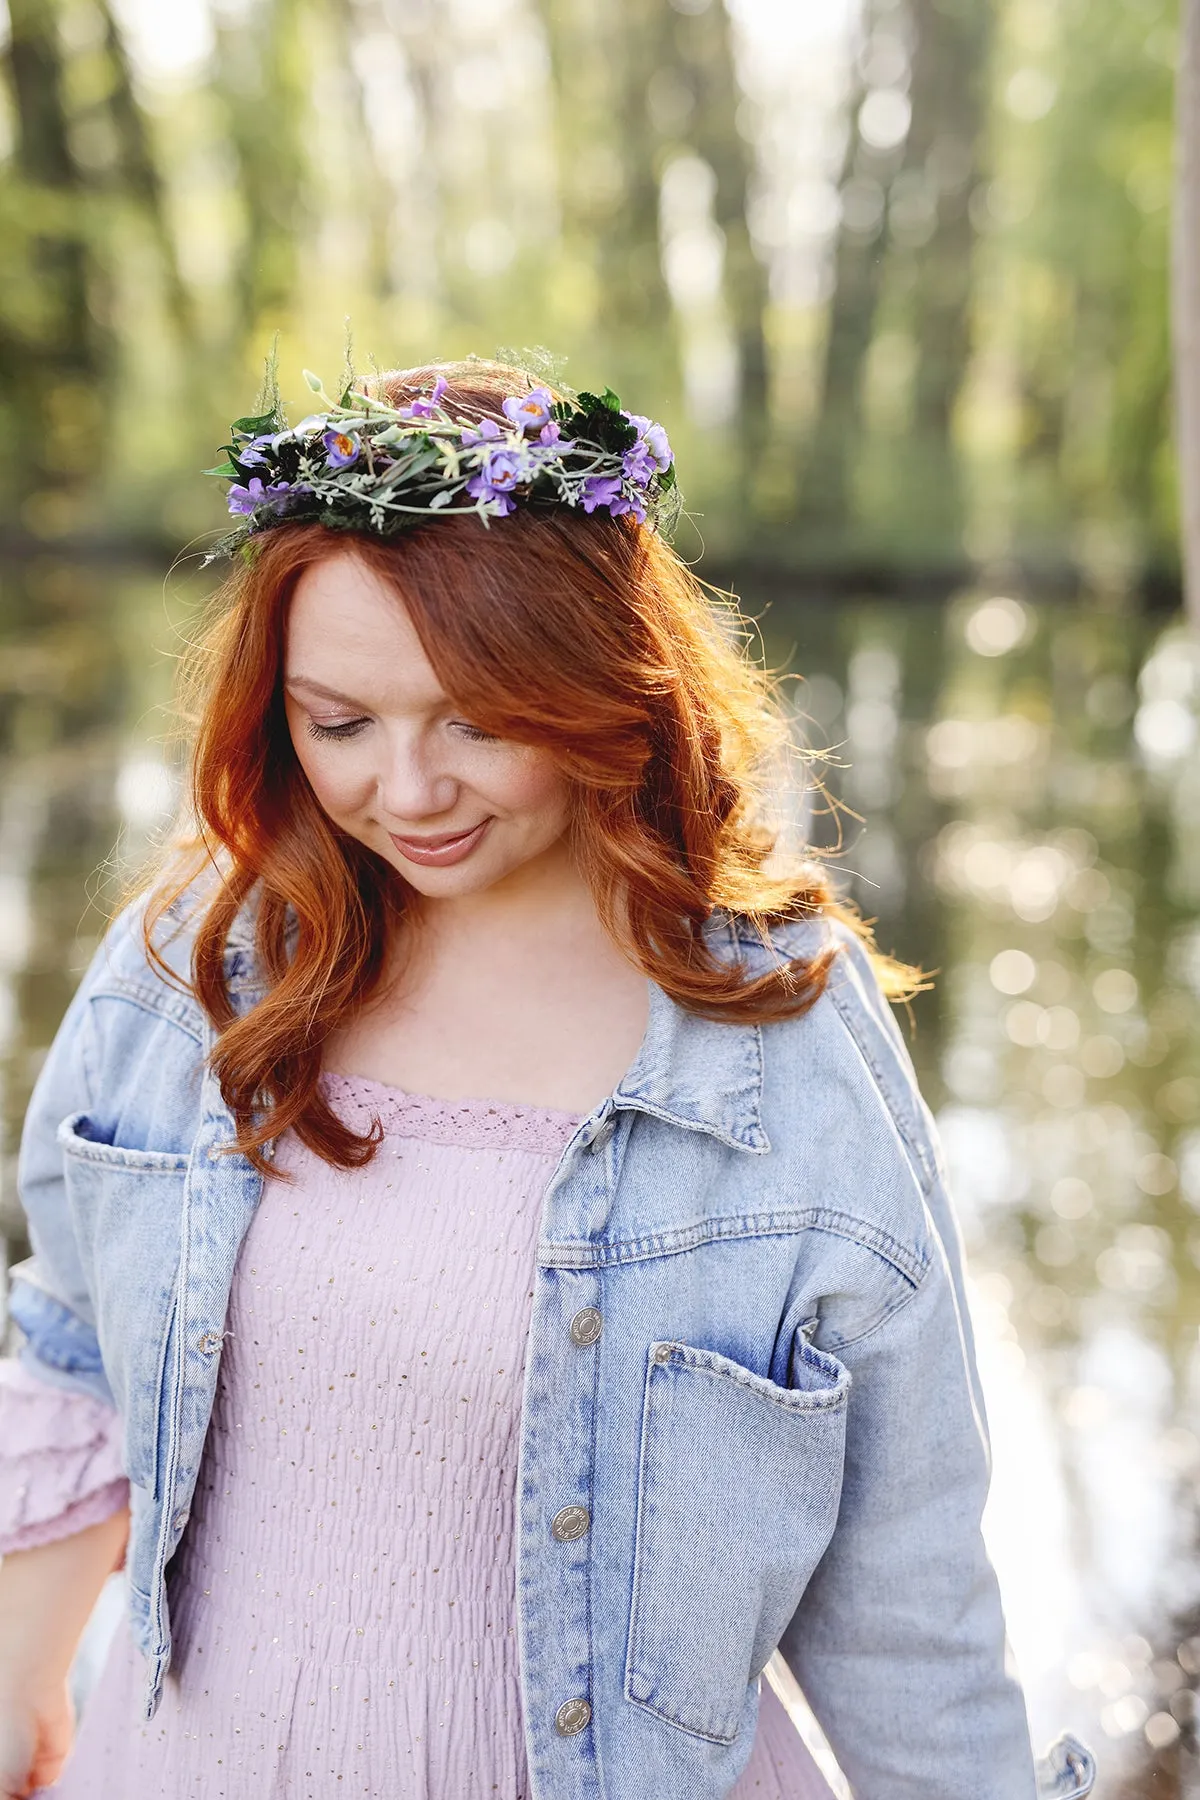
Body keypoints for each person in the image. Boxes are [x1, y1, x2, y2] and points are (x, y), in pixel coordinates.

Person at [0, 360, 1094, 1800]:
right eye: (339, 723)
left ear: (595, 687)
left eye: (475, 719)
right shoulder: (195, 959)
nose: (406, 789)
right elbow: (74, 1339)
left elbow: (907, 1590)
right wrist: (21, 1688)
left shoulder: (773, 1028)